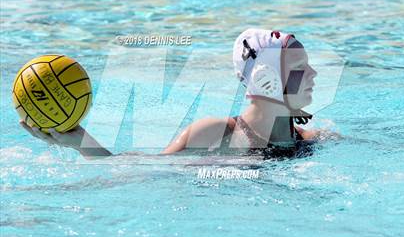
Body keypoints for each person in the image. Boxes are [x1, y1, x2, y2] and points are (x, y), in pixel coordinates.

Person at [20, 28, 323, 160]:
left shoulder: (312, 140)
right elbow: (148, 174)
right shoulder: (215, 135)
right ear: (265, 80)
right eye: (299, 68)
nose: (313, 75)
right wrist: (80, 142)